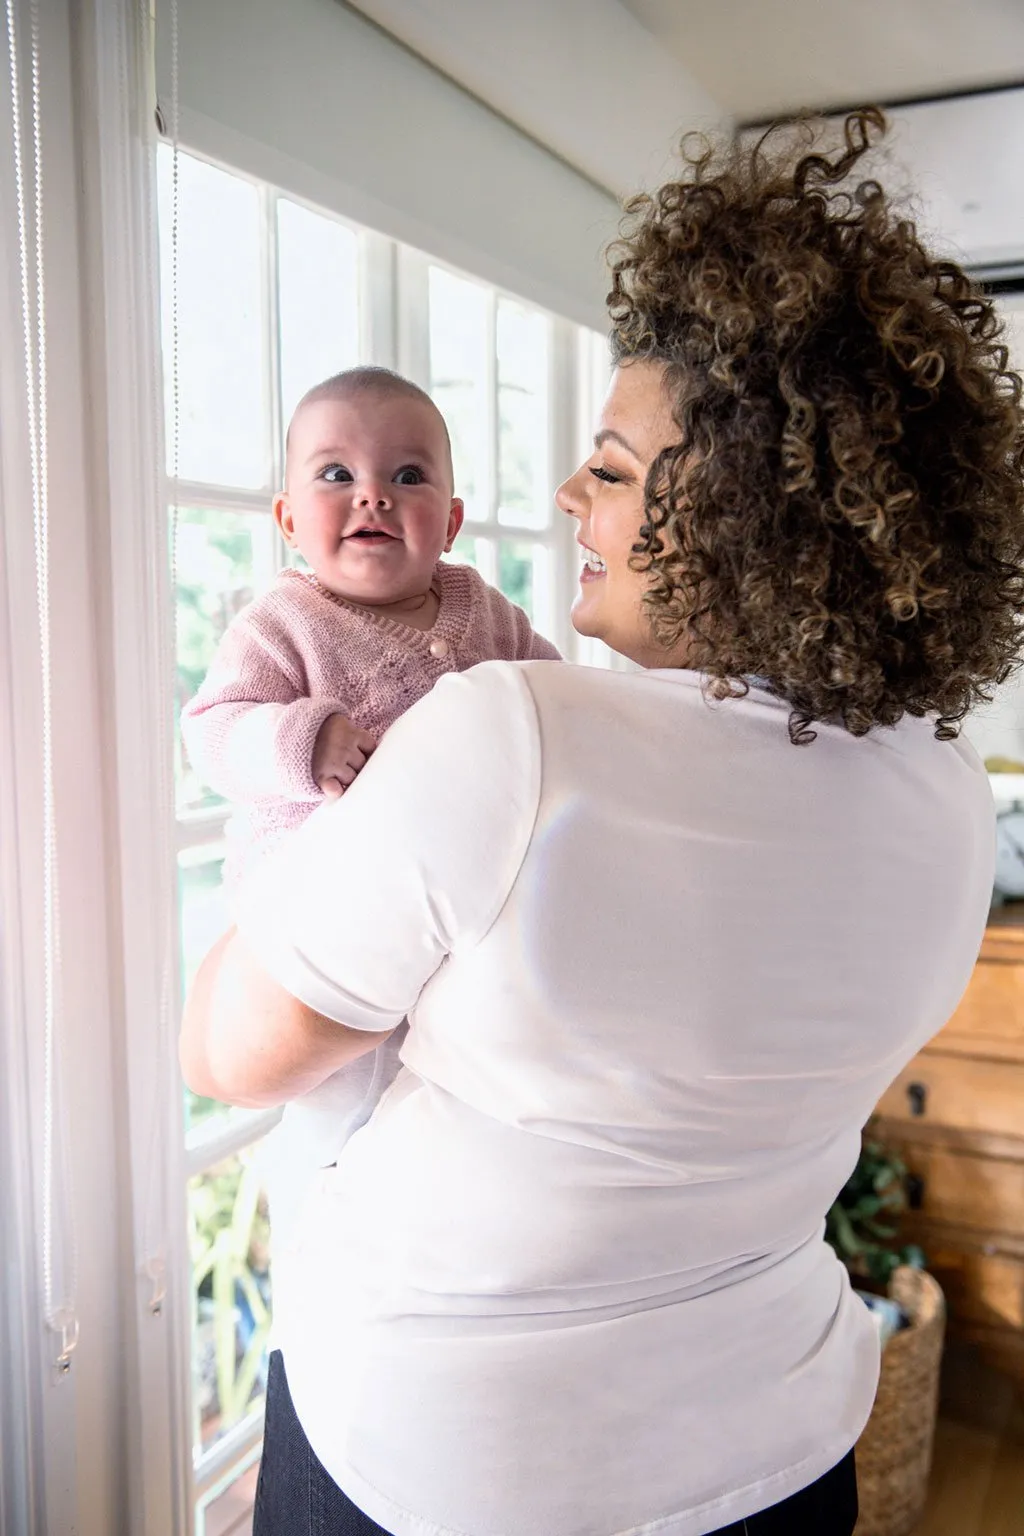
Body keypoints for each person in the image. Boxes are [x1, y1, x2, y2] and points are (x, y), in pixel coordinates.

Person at [180, 110, 1024, 1536]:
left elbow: (231, 1051)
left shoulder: (514, 726)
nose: (571, 493)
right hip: (776, 1455)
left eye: (618, 470)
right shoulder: (949, 799)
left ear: (756, 518)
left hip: (447, 1472)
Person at [182, 365, 559, 1206]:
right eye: (336, 474)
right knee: (339, 1109)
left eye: (408, 476)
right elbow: (212, 727)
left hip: (463, 918)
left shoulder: (487, 612)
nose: (373, 497)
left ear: (452, 521)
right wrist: (298, 740)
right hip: (321, 908)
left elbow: (551, 700)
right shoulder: (282, 622)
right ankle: (324, 1219)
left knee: (457, 1083)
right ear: (286, 519)